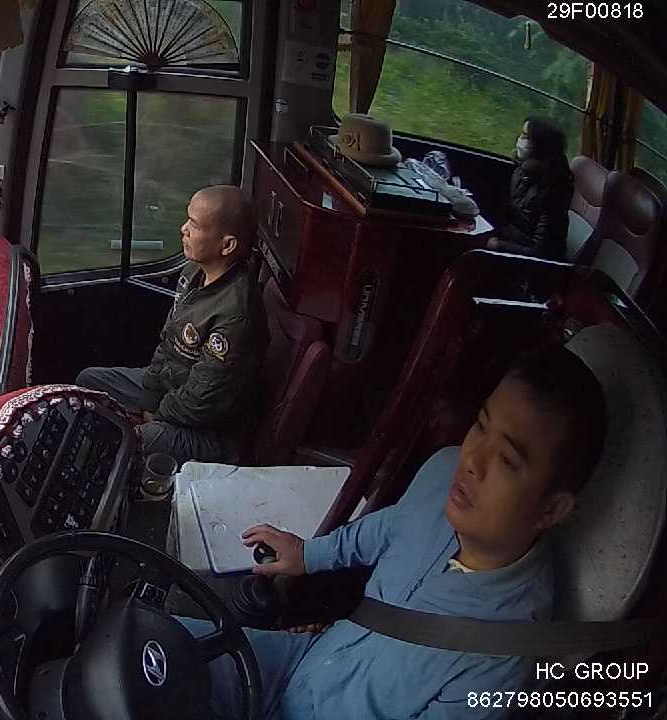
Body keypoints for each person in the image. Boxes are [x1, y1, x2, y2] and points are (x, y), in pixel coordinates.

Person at [189, 345, 607, 719]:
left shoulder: (499, 662)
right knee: (159, 649)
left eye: (507, 461)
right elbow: (387, 527)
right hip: (296, 661)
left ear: (550, 510)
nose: (472, 461)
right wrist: (309, 554)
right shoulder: (444, 474)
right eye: (481, 426)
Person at [76, 185, 268, 465]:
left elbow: (201, 402)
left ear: (227, 245)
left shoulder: (236, 315)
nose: (183, 229)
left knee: (131, 440)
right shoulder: (194, 272)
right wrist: (150, 396)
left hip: (212, 432)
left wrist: (156, 414)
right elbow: (168, 342)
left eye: (195, 225)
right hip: (174, 386)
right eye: (188, 220)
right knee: (88, 383)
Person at [488, 117, 574, 259]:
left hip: (532, 264)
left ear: (540, 145)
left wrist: (499, 246)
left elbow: (542, 252)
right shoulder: (523, 171)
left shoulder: (553, 191)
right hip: (513, 239)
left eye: (526, 136)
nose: (520, 140)